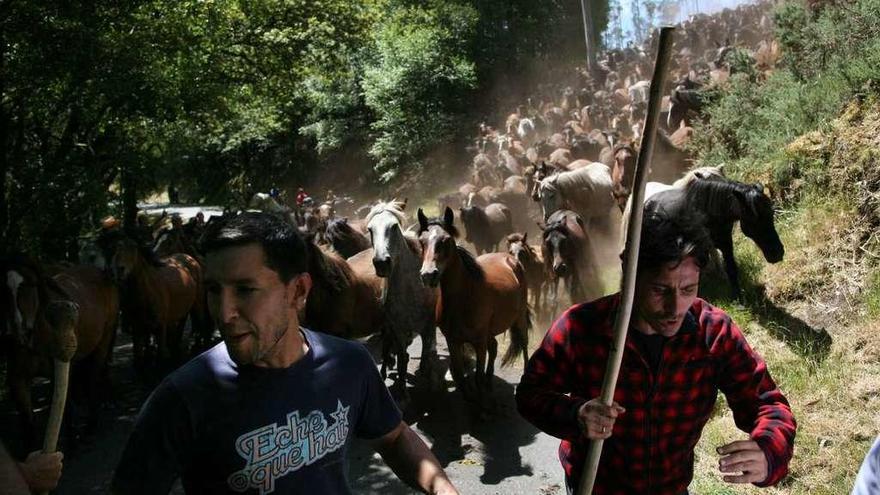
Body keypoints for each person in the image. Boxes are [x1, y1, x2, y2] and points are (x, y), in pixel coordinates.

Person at [112, 212, 458, 495]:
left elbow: (395, 437)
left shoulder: (349, 363)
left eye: (246, 290)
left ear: (298, 291)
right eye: (214, 290)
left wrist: (442, 488)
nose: (224, 313)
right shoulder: (183, 398)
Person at [515, 206, 796, 494]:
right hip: (596, 487)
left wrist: (767, 450)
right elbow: (529, 394)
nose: (675, 309)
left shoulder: (713, 334)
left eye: (688, 289)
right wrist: (575, 414)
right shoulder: (582, 328)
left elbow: (767, 404)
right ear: (631, 275)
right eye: (660, 290)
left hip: (670, 488)